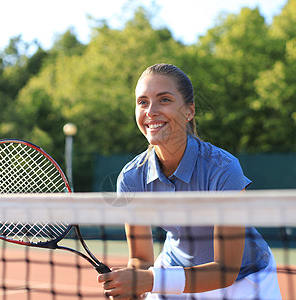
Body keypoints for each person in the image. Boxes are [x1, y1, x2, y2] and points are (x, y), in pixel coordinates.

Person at [98, 63, 281, 299]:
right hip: (171, 271)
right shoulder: (132, 177)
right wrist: (133, 283)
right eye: (142, 102)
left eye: (164, 99)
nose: (151, 111)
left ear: (189, 111)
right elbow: (142, 259)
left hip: (245, 279)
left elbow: (225, 271)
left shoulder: (223, 169)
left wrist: (150, 280)